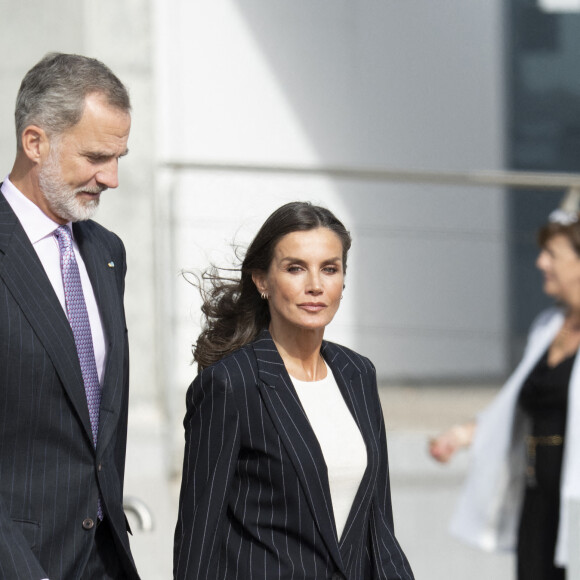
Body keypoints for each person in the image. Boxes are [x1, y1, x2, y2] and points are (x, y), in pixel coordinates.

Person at [173, 201, 414, 580]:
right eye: (295, 268)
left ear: (343, 280)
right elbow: (198, 535)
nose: (315, 285)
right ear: (262, 280)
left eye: (329, 269)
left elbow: (378, 525)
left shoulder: (357, 373)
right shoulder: (231, 384)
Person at [0, 53, 140, 579]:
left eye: (120, 157)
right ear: (35, 143)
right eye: (97, 157)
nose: (113, 178)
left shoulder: (107, 252)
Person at [429, 191, 580, 579]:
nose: (540, 262)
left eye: (552, 254)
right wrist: (462, 434)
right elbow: (512, 405)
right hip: (539, 501)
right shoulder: (548, 326)